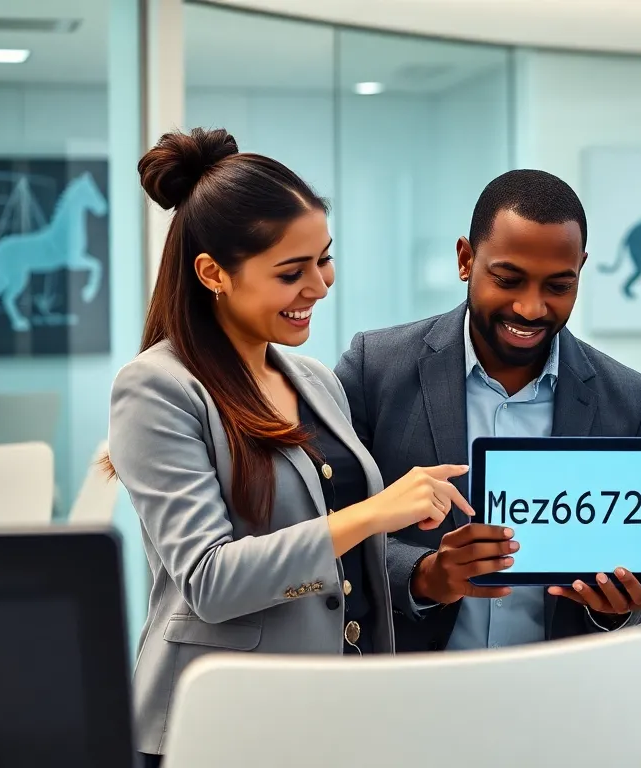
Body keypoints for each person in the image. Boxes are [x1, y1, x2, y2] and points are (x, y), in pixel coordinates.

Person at [106, 128, 472, 764]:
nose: (320, 286)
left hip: (336, 715)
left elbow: (345, 562)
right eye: (291, 272)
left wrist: (426, 568)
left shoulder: (315, 381)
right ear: (213, 273)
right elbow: (210, 580)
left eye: (324, 259)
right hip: (220, 727)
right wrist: (373, 511)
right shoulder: (156, 389)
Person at [334, 169, 641, 653]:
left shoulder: (629, 399)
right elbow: (323, 529)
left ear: (581, 270)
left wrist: (618, 606)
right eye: (508, 279)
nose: (532, 308)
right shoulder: (376, 369)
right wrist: (423, 575)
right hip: (407, 690)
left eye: (559, 285)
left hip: (557, 696)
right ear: (465, 259)